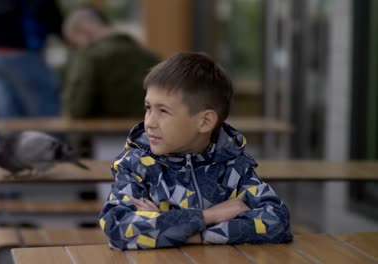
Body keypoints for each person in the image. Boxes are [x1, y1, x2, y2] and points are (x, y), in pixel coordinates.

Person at [99, 52, 292, 250]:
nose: (149, 122)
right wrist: (209, 215)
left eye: (163, 111)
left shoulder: (234, 166)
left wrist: (174, 230)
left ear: (205, 121)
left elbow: (276, 221)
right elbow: (118, 228)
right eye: (148, 107)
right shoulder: (137, 165)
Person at [62, 5, 160, 118]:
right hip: (145, 131)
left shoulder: (90, 57)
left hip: (99, 133)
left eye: (74, 44)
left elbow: (76, 108)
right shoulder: (149, 56)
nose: (75, 50)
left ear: (84, 31)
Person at [0, 0, 63, 118]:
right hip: (22, 49)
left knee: (8, 114)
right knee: (46, 113)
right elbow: (45, 7)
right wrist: (62, 32)